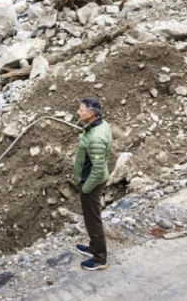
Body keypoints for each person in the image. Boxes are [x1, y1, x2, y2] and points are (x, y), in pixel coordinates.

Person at [72, 97, 112, 271]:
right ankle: (93, 248)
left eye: (81, 110)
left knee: (93, 221)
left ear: (91, 113)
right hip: (91, 180)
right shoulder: (100, 125)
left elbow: (97, 170)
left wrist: (86, 189)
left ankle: (100, 259)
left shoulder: (95, 138)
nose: (78, 112)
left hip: (92, 183)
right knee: (91, 219)